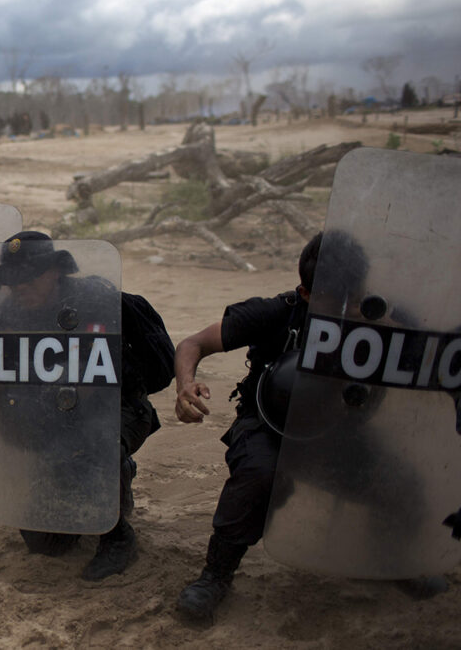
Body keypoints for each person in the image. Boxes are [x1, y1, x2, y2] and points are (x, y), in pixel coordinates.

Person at [172, 231, 446, 622]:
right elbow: (192, 344)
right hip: (268, 424)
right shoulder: (278, 312)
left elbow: (434, 367)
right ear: (306, 293)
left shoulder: (379, 316)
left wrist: (393, 334)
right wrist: (185, 385)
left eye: (356, 295)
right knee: (257, 476)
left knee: (403, 487)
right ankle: (215, 576)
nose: (347, 308)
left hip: (339, 432)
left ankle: (388, 564)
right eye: (336, 301)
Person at [0, 231, 163, 582]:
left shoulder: (94, 300)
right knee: (45, 542)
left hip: (116, 410)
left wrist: (57, 427)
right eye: (13, 280)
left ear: (54, 271)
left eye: (28, 277)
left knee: (83, 448)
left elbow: (92, 384)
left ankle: (117, 536)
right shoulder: (13, 311)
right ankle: (100, 470)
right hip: (54, 412)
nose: (19, 287)